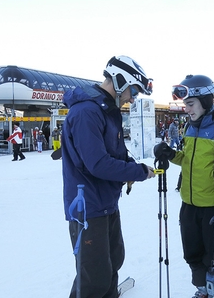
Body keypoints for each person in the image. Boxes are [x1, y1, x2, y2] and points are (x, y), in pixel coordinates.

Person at [61, 55, 156, 298]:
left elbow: (114, 154)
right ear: (120, 80)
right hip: (87, 207)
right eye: (133, 90)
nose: (132, 98)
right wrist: (137, 172)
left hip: (106, 203)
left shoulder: (107, 111)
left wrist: (132, 166)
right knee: (94, 277)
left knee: (114, 260)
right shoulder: (87, 113)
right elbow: (98, 164)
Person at [153, 74, 214, 298]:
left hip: (212, 205)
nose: (187, 110)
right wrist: (171, 153)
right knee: (191, 252)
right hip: (188, 203)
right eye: (185, 105)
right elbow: (187, 159)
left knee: (211, 254)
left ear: (204, 101)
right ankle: (203, 289)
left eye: (190, 104)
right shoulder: (189, 128)